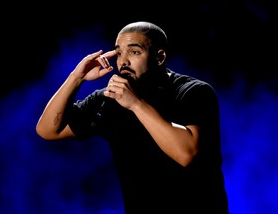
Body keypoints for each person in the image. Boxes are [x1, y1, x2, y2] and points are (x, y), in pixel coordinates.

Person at [36, 21, 229, 213]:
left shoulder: (194, 92)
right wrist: (76, 78)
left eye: (134, 52)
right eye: (119, 53)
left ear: (159, 57)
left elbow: (186, 154)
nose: (123, 62)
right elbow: (48, 130)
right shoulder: (110, 99)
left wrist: (135, 104)